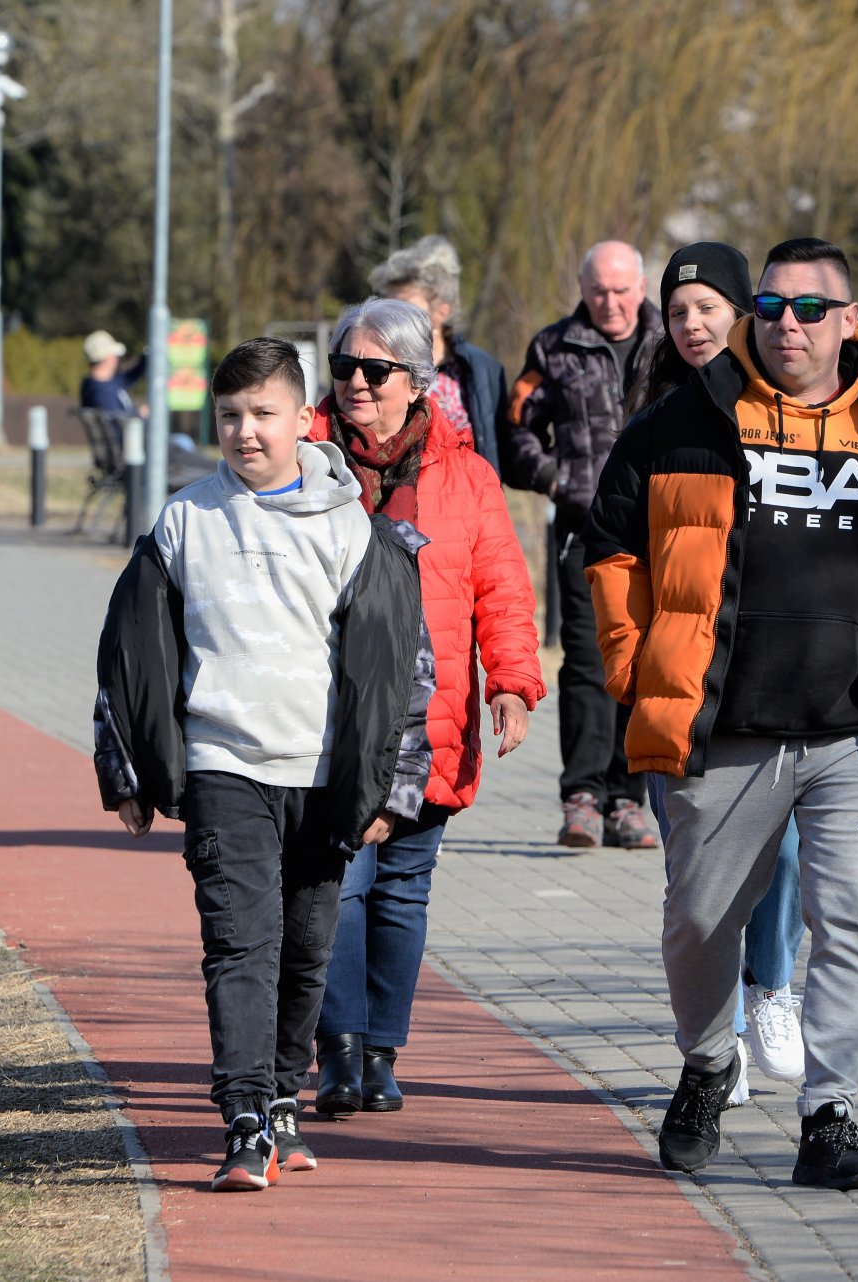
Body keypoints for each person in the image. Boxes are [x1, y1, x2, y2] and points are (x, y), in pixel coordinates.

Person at [585, 237, 858, 1189]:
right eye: (770, 307)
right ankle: (705, 1064)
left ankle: (830, 1115)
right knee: (699, 920)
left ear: (849, 321)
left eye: (810, 309)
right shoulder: (681, 425)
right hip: (722, 730)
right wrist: (633, 661)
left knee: (854, 923)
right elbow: (611, 549)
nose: (787, 325)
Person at [92, 337, 428, 1191]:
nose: (246, 432)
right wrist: (125, 768)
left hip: (320, 776)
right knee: (241, 943)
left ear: (304, 420)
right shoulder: (184, 521)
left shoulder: (351, 527)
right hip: (222, 764)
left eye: (264, 415)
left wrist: (395, 784)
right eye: (230, 416)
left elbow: (401, 665)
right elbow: (128, 654)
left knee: (306, 949)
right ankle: (243, 1115)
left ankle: (284, 1100)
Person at [305, 297, 545, 1115]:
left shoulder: (468, 476)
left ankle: (381, 1052)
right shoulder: (303, 462)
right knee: (340, 882)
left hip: (431, 719)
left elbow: (503, 591)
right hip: (329, 722)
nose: (357, 385)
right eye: (344, 369)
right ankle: (334, 1049)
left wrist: (511, 683)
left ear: (418, 382)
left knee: (404, 889)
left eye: (376, 371)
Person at [627, 242, 808, 1104]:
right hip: (681, 683)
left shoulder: (794, 404)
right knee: (695, 873)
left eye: (707, 307)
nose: (692, 324)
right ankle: (715, 1042)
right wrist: (635, 664)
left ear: (746, 312)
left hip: (776, 679)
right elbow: (613, 550)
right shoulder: (656, 416)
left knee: (787, 849)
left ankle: (772, 988)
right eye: (678, 310)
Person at [502, 239, 664, 849]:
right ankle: (582, 798)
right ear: (583, 288)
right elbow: (516, 431)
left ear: (641, 287)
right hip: (583, 529)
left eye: (622, 290)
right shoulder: (553, 346)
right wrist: (556, 478)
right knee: (588, 663)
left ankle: (629, 800)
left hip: (659, 529)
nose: (611, 302)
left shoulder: (672, 342)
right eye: (599, 290)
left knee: (648, 660)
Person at [369, 236, 507, 469]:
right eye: (389, 307)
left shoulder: (482, 370)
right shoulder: (370, 367)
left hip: (468, 499)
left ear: (443, 311)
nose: (394, 318)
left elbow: (503, 450)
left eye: (407, 308)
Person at [80, 330, 147, 417]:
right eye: (113, 354)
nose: (116, 358)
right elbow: (117, 426)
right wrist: (140, 415)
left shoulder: (99, 385)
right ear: (105, 359)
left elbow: (131, 376)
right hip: (133, 429)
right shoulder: (102, 392)